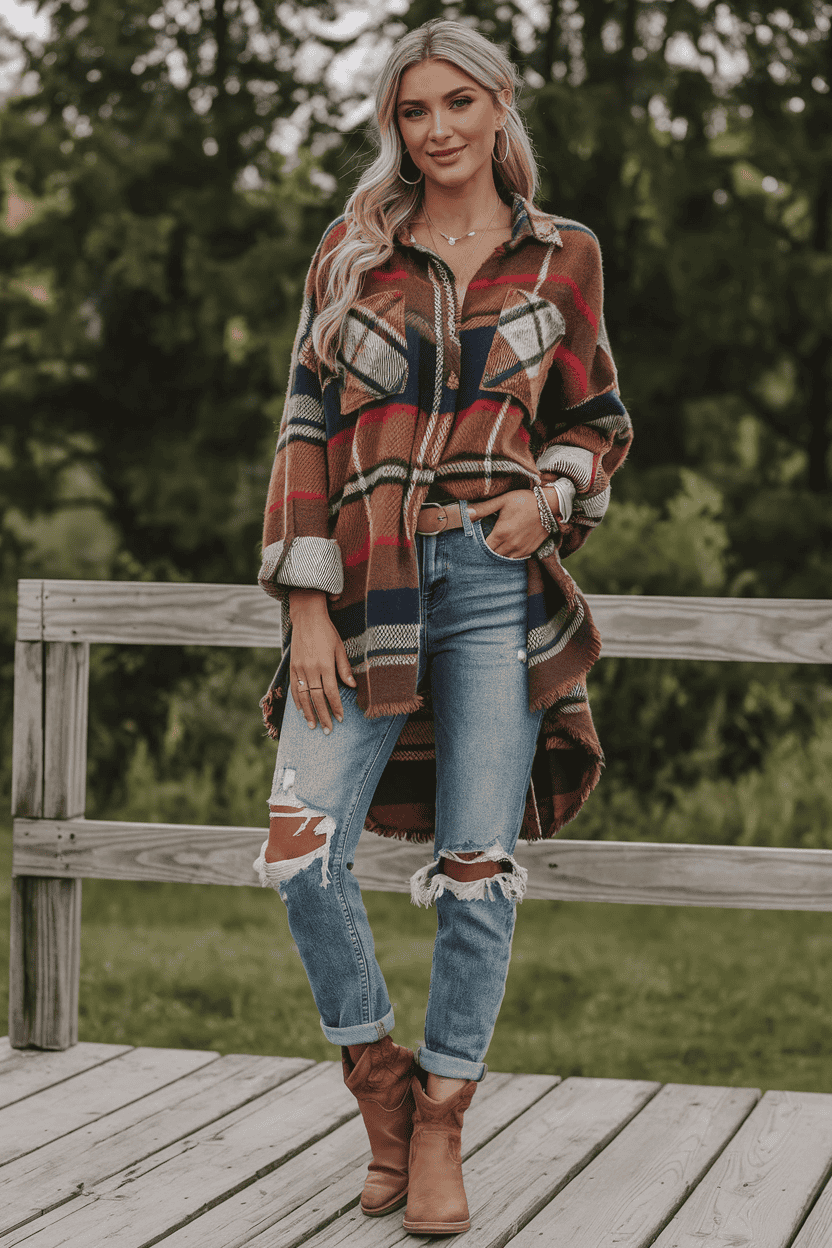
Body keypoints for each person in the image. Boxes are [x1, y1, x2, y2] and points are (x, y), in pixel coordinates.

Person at [253, 17, 633, 1237]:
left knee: (476, 870)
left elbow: (600, 415)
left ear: (498, 108)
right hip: (364, 588)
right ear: (394, 126)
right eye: (414, 112)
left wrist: (553, 492)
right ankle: (380, 1085)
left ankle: (441, 1122)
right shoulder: (352, 250)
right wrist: (305, 605)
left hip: (491, 592)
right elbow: (304, 429)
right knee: (301, 852)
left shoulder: (563, 253)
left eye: (458, 105)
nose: (438, 130)